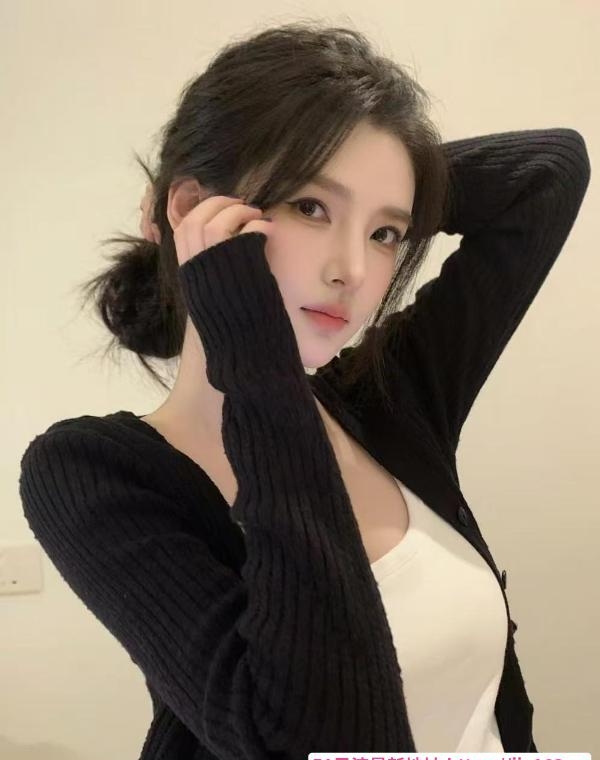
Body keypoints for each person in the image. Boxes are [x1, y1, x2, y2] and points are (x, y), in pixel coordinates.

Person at [18, 20, 590, 759]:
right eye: (309, 208)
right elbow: (318, 737)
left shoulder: (389, 400)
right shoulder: (92, 475)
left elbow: (549, 171)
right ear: (190, 210)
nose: (353, 269)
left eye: (386, 235)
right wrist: (254, 355)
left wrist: (379, 188)